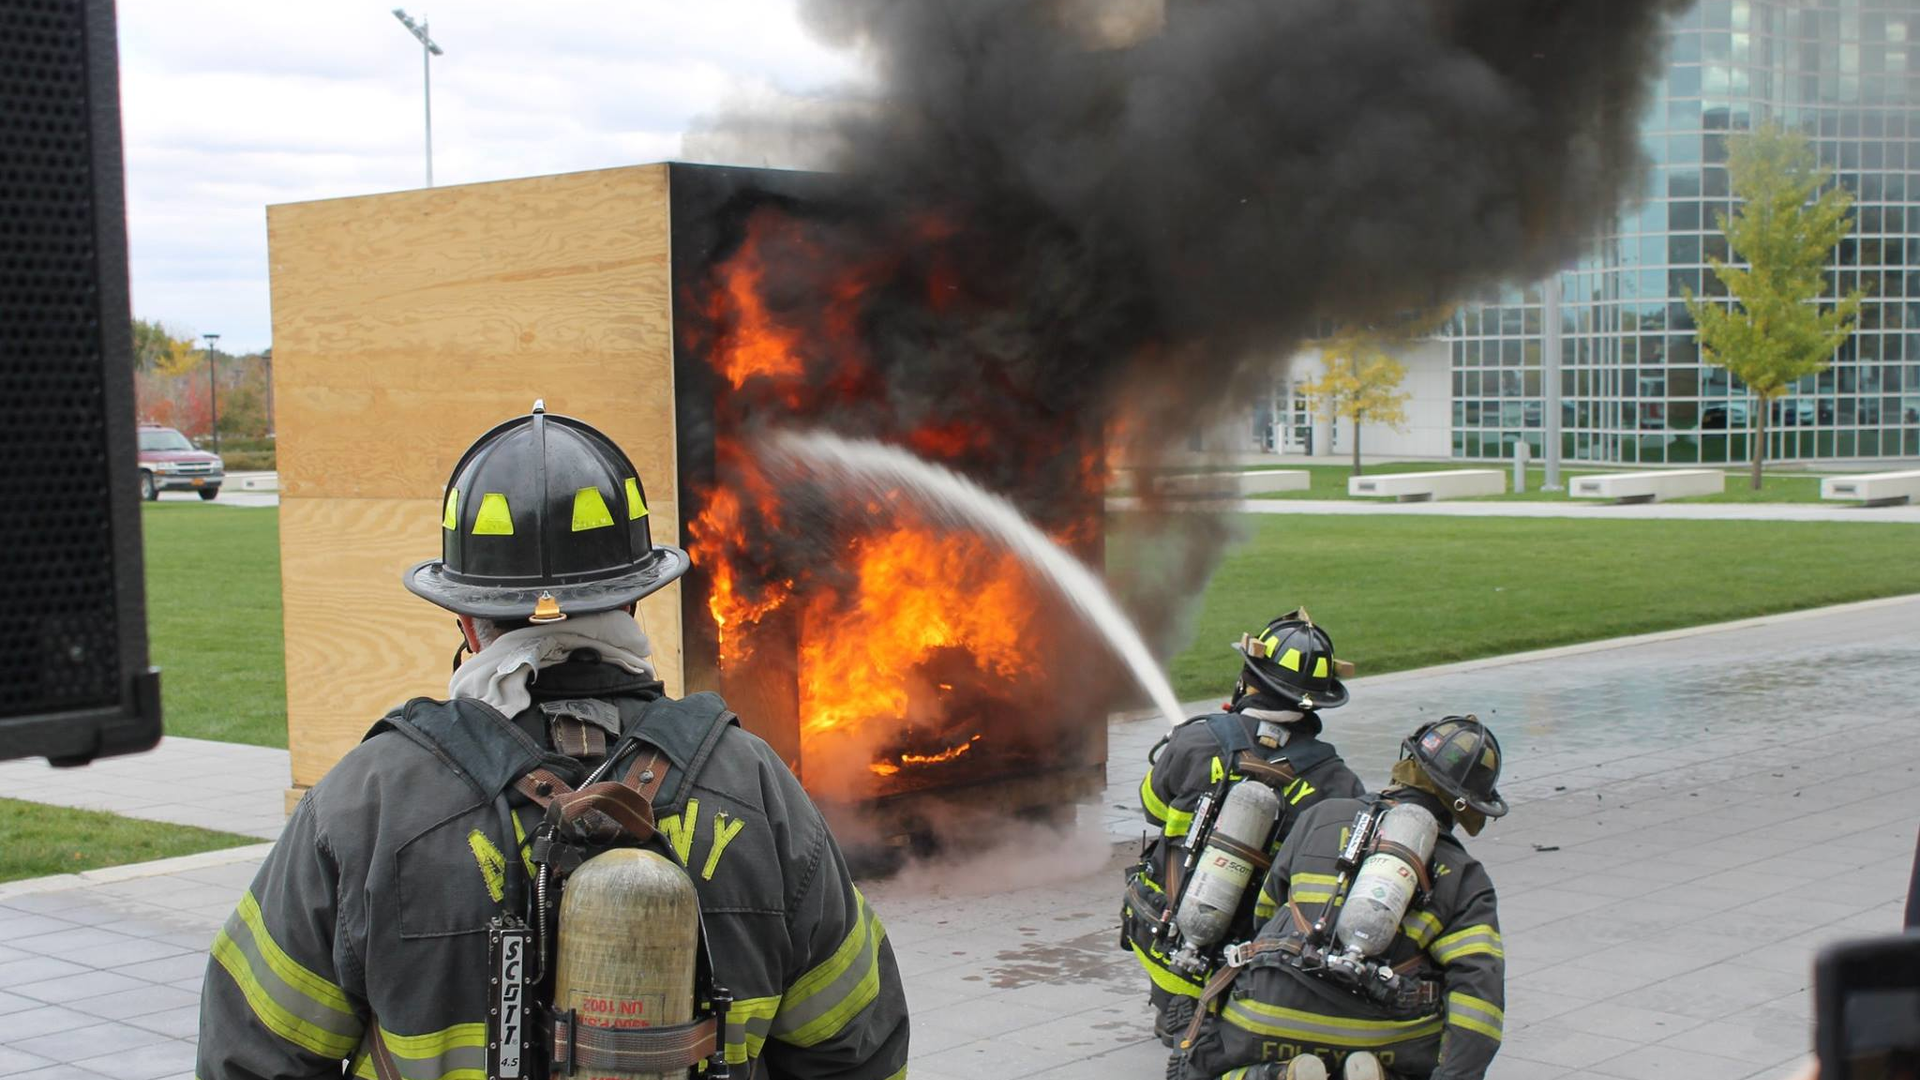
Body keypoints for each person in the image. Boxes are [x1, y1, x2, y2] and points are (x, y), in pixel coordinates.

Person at [197, 404, 910, 1080]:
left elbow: (254, 1057)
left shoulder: (366, 804)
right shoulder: (754, 787)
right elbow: (857, 1046)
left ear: (469, 620)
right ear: (633, 600)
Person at [1175, 715, 1510, 1080]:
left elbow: (1266, 915)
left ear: (1407, 763)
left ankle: (1277, 1074)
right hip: (1383, 1037)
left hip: (1265, 1016)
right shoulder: (1464, 873)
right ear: (1467, 805)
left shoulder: (1321, 815)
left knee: (1210, 1067)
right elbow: (1479, 996)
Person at [1123, 610, 1369, 1046]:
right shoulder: (1337, 781)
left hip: (1166, 936)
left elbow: (1151, 807)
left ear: (1249, 677)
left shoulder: (1198, 739)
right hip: (1261, 957)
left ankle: (1172, 1010)